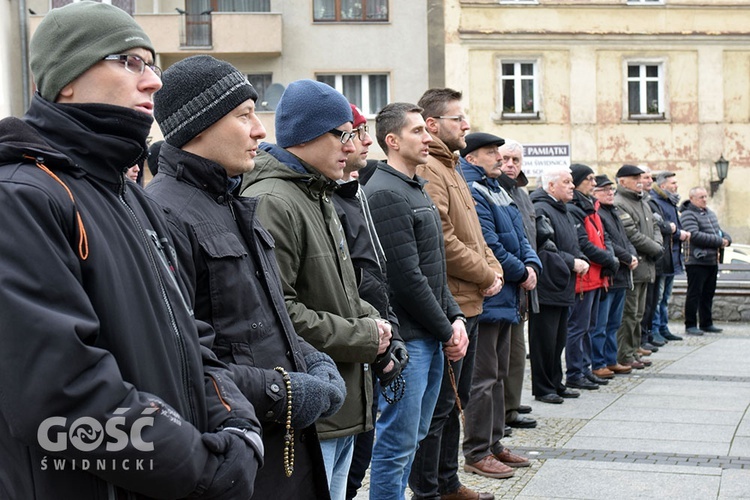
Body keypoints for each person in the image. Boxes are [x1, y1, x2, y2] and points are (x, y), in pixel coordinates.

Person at [0, 3, 263, 499]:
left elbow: (191, 342)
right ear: (66, 80)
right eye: (129, 62)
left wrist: (236, 425)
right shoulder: (23, 197)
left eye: (153, 64)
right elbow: (59, 396)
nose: (153, 82)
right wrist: (201, 471)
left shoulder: (127, 195)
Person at [148, 55, 350, 499]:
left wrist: (309, 357)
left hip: (283, 451)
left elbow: (259, 318)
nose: (260, 130)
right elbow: (179, 362)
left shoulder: (229, 201)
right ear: (198, 127)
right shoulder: (163, 213)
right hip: (237, 456)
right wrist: (287, 389)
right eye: (244, 116)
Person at [240, 79, 391, 500]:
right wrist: (365, 336)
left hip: (339, 401)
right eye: (343, 134)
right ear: (308, 135)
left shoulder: (317, 192)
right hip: (314, 410)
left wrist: (373, 321)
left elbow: (340, 288)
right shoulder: (274, 200)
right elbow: (279, 312)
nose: (352, 146)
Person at [363, 102, 468, 500]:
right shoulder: (386, 193)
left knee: (416, 434)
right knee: (397, 443)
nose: (428, 138)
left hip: (431, 334)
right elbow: (405, 278)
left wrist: (454, 316)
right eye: (418, 132)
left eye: (428, 130)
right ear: (392, 141)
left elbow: (434, 266)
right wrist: (447, 329)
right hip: (411, 340)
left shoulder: (413, 187)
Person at [412, 88, 504, 500]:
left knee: (455, 401)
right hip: (450, 302)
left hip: (471, 298)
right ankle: (428, 489)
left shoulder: (452, 167)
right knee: (439, 407)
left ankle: (448, 483)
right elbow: (443, 240)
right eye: (457, 118)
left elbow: (477, 235)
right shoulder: (430, 169)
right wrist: (487, 273)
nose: (466, 125)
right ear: (432, 126)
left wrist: (493, 268)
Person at [334, 104, 408, 500]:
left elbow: (376, 273)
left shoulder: (355, 190)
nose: (367, 142)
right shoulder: (326, 198)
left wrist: (388, 330)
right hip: (346, 351)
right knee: (341, 474)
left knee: (357, 463)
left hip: (372, 343)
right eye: (357, 133)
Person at [458, 132, 540, 480]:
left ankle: (493, 444)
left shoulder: (499, 190)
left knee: (500, 374)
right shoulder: (474, 191)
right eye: (491, 152)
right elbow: (488, 243)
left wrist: (531, 265)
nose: (498, 158)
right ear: (473, 158)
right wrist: (522, 272)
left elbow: (521, 236)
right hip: (490, 298)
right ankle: (476, 450)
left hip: (510, 297)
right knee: (483, 379)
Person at [529, 166, 588, 404]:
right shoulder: (541, 208)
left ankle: (556, 382)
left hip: (563, 284)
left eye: (572, 182)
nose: (572, 186)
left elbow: (569, 242)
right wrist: (571, 261)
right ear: (551, 186)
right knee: (544, 341)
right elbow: (545, 246)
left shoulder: (561, 209)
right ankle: (543, 388)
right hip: (547, 286)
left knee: (558, 340)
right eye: (566, 182)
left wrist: (578, 258)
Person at [565, 164, 619, 390]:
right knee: (578, 328)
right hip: (584, 278)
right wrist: (608, 259)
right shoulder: (576, 207)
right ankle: (575, 372)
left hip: (597, 276)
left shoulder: (590, 206)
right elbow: (584, 243)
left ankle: (585, 369)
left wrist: (609, 257)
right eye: (589, 179)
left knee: (590, 325)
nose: (594, 183)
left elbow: (603, 237)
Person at [496, 140, 538, 428]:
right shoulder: (492, 191)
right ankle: (500, 414)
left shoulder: (522, 194)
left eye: (517, 160)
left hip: (523, 285)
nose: (511, 164)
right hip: (503, 285)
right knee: (499, 359)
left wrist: (532, 267)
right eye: (506, 159)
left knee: (516, 355)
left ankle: (510, 407)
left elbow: (528, 238)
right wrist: (520, 271)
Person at [614, 165, 663, 369]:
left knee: (638, 313)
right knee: (629, 314)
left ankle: (633, 350)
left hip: (647, 265)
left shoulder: (642, 201)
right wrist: (655, 248)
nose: (639, 181)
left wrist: (658, 246)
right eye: (634, 178)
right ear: (622, 181)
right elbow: (632, 234)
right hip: (634, 265)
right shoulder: (621, 203)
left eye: (640, 178)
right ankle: (624, 354)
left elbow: (654, 227)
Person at [590, 174, 638, 377]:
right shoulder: (598, 212)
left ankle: (611, 359)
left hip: (621, 275)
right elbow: (609, 243)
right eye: (605, 190)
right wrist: (627, 257)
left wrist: (632, 254)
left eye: (611, 190)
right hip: (609, 274)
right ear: (595, 193)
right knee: (600, 324)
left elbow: (624, 239)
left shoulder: (613, 211)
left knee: (613, 324)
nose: (610, 193)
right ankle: (598, 362)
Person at [679, 187, 731, 335]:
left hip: (712, 260)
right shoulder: (688, 215)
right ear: (692, 199)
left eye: (706, 196)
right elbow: (694, 235)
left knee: (708, 293)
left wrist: (727, 239)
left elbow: (719, 231)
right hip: (696, 261)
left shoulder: (710, 213)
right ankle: (690, 324)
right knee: (694, 293)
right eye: (701, 197)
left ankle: (706, 323)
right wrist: (719, 241)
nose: (704, 199)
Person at [649, 171, 688, 342]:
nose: (676, 185)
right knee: (658, 297)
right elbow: (664, 227)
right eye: (673, 183)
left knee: (665, 297)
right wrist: (679, 233)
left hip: (673, 257)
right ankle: (655, 329)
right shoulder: (655, 202)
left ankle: (664, 327)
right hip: (663, 257)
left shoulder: (669, 202)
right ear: (663, 185)